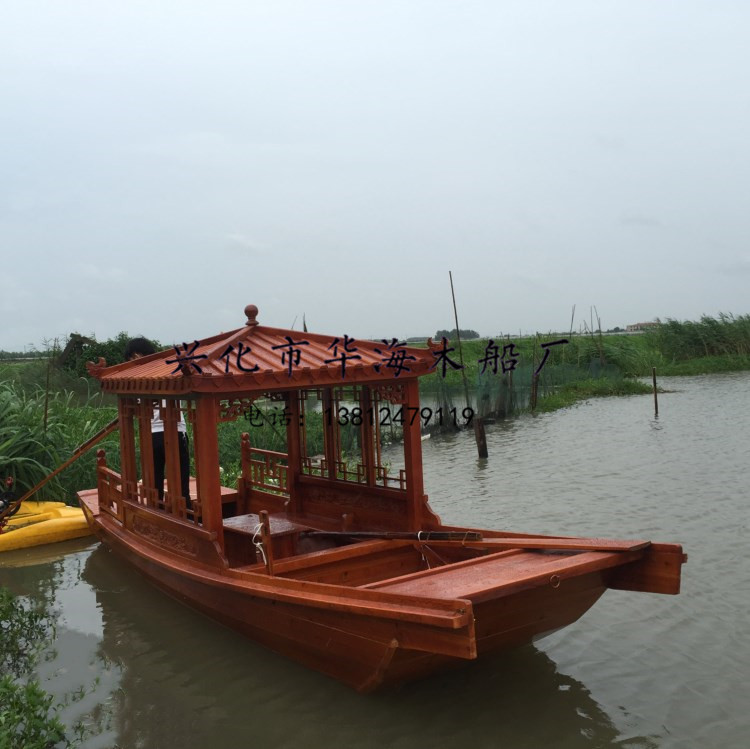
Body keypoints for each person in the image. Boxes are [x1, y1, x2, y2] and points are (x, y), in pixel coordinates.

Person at [124, 338, 192, 510]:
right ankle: (188, 516)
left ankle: (159, 515)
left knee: (155, 484)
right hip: (173, 433)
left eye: (136, 356)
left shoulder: (134, 378)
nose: (135, 361)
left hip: (152, 435)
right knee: (179, 483)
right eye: (133, 357)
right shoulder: (169, 368)